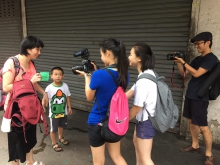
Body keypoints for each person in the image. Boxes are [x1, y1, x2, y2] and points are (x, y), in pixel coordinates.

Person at [76, 38, 129, 165]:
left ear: (108, 53)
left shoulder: (98, 74)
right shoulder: (125, 73)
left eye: (101, 54)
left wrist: (88, 76)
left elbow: (89, 96)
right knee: (117, 157)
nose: (101, 57)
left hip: (97, 121)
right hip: (115, 121)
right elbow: (111, 88)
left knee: (98, 162)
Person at [2, 36, 48, 165]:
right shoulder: (12, 63)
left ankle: (30, 161)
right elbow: (6, 87)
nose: (39, 53)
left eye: (40, 50)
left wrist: (44, 93)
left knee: (29, 134)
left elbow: (33, 84)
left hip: (30, 105)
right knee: (16, 137)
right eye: (37, 49)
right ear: (27, 49)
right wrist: (28, 82)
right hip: (15, 107)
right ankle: (15, 163)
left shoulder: (31, 63)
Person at [174, 32, 218, 165]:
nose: (196, 46)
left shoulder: (211, 59)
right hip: (190, 94)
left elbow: (198, 74)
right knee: (191, 121)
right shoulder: (197, 59)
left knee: (203, 126)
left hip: (200, 96)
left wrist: (184, 62)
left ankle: (209, 154)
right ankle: (195, 146)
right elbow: (184, 73)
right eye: (195, 44)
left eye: (198, 44)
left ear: (208, 42)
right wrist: (178, 62)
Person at [126, 43, 157, 165]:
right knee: (137, 146)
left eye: (130, 54)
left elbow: (137, 107)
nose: (128, 57)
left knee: (145, 158)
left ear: (139, 58)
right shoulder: (147, 74)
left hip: (146, 122)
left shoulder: (143, 81)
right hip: (144, 121)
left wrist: (123, 121)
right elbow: (129, 93)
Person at [45, 67, 72, 152]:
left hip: (63, 112)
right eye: (55, 74)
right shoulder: (49, 88)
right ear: (51, 76)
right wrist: (43, 104)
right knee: (53, 129)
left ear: (63, 76)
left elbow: (67, 96)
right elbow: (45, 98)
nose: (58, 76)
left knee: (62, 126)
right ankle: (54, 143)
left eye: (60, 74)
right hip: (53, 114)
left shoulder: (65, 86)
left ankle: (61, 137)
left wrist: (69, 107)